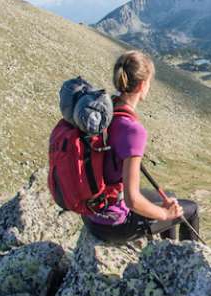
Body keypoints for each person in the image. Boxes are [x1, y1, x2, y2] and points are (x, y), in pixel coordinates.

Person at [84, 50, 200, 242]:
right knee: (191, 209)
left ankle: (165, 251)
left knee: (169, 197)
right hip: (113, 226)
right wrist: (165, 215)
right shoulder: (132, 130)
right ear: (141, 85)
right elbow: (132, 200)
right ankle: (187, 262)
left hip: (91, 214)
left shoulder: (106, 110)